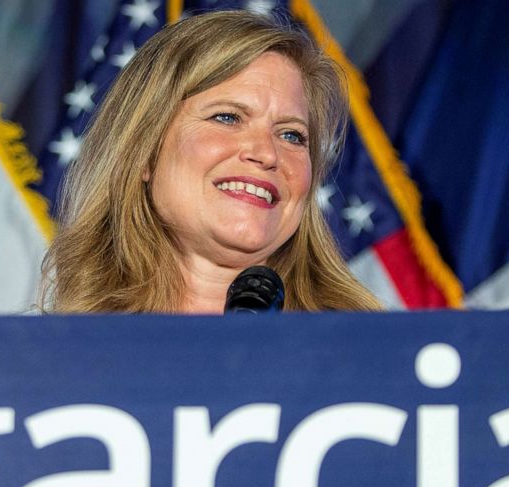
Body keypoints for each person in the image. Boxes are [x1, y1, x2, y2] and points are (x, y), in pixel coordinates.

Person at [40, 10, 381, 313]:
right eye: (227, 118)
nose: (266, 153)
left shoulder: (367, 357)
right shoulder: (55, 357)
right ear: (145, 152)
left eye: (291, 135)